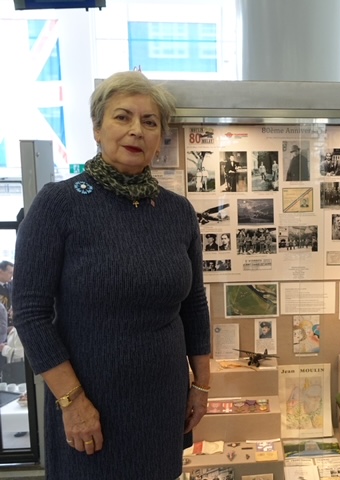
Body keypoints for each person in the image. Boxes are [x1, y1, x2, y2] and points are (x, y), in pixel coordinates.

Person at [12, 71, 212, 480]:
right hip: (89, 405)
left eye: (150, 122)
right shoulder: (59, 204)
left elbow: (193, 304)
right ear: (98, 129)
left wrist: (201, 385)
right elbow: (30, 312)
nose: (136, 130)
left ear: (160, 138)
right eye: (123, 117)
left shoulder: (178, 213)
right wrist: (73, 402)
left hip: (161, 400)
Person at [0, 261, 13, 327]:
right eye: (10, 273)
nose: (12, 276)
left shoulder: (10, 286)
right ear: (1, 272)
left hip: (10, 322)